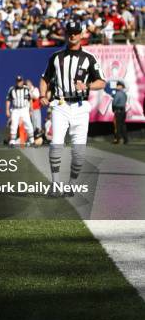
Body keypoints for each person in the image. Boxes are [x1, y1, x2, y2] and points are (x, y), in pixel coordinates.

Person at [40, 18, 106, 196]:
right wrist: (42, 95)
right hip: (60, 104)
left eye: (76, 32)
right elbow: (45, 78)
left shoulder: (89, 59)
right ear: (65, 34)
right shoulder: (56, 57)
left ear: (82, 34)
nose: (73, 35)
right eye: (70, 33)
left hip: (80, 105)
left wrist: (87, 86)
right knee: (56, 144)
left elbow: (101, 82)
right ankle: (56, 184)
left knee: (79, 151)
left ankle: (71, 184)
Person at [6, 76, 34, 146]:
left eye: (20, 81)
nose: (19, 83)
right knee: (14, 124)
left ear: (22, 81)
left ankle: (32, 140)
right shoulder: (12, 89)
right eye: (18, 81)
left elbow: (30, 99)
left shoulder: (26, 89)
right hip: (15, 109)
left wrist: (31, 109)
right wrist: (7, 109)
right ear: (16, 82)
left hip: (24, 109)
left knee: (28, 123)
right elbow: (8, 100)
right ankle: (12, 140)